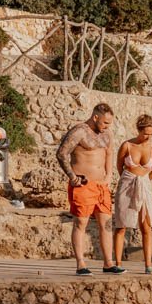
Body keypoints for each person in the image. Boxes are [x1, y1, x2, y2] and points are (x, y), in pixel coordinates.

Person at [58, 103, 124, 276]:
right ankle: (80, 263)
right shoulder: (79, 131)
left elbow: (109, 153)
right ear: (95, 117)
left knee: (107, 223)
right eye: (105, 123)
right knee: (81, 223)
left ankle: (109, 263)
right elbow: (62, 153)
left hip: (101, 186)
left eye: (109, 123)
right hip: (83, 184)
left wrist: (109, 175)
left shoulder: (106, 134)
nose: (107, 127)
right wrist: (72, 177)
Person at [113, 114, 152, 274]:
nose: (148, 137)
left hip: (144, 184)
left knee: (146, 225)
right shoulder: (127, 145)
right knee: (121, 225)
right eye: (146, 133)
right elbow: (119, 166)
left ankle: (148, 264)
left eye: (151, 134)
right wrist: (129, 178)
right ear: (139, 130)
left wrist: (144, 180)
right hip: (127, 183)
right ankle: (118, 263)